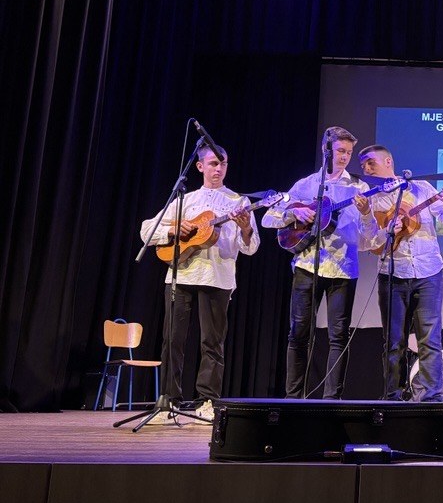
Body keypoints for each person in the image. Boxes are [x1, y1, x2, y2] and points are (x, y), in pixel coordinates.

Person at [140, 143, 259, 421]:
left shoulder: (238, 202)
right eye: (213, 163)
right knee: (172, 339)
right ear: (200, 166)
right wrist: (173, 228)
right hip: (181, 274)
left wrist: (245, 228)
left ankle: (207, 401)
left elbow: (251, 247)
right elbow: (146, 230)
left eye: (223, 163)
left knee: (212, 342)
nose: (219, 168)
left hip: (218, 276)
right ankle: (168, 401)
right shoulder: (186, 200)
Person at [262, 127, 372, 399]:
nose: (345, 157)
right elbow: (268, 218)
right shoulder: (306, 184)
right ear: (327, 151)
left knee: (338, 336)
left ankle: (332, 399)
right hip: (307, 265)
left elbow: (369, 237)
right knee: (298, 333)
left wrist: (366, 213)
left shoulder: (359, 188)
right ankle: (293, 398)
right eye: (340, 151)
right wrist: (294, 213)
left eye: (349, 152)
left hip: (343, 269)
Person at [355, 145, 443, 401]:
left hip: (428, 272)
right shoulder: (371, 199)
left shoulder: (421, 188)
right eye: (363, 165)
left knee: (429, 339)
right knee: (394, 342)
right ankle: (393, 397)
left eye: (370, 162)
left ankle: (432, 397)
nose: (366, 168)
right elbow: (368, 243)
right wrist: (377, 223)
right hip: (392, 274)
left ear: (388, 161)